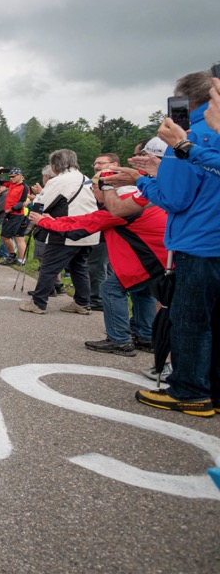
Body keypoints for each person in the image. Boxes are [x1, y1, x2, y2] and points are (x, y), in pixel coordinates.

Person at [107, 69, 220, 417]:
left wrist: (142, 181)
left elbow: (174, 198)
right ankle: (210, 389)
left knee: (189, 320)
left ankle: (188, 391)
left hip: (197, 242)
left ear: (186, 100)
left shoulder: (190, 139)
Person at [31, 173, 166, 354]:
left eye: (93, 188)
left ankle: (120, 340)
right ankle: (145, 336)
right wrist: (53, 220)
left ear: (104, 189)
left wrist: (46, 222)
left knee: (110, 289)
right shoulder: (132, 199)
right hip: (161, 256)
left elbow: (83, 226)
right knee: (142, 291)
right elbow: (90, 218)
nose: (92, 192)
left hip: (149, 257)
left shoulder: (120, 208)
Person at [21, 150, 98, 315]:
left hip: (65, 230)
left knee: (48, 266)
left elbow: (42, 203)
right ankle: (82, 303)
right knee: (79, 267)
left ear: (55, 165)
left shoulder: (59, 180)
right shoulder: (86, 179)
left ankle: (38, 303)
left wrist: (33, 217)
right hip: (88, 232)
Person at [86, 153, 120, 311]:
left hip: (107, 233)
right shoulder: (98, 181)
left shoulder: (117, 184)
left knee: (98, 266)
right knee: (104, 267)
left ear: (115, 164)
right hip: (105, 233)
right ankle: (103, 298)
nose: (96, 166)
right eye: (95, 163)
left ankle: (97, 299)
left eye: (101, 163)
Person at [0, 167, 30, 265]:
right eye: (10, 177)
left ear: (20, 176)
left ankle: (13, 256)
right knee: (18, 237)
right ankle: (20, 259)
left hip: (16, 214)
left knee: (5, 236)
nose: (11, 178)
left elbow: (22, 202)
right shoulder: (11, 184)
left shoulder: (24, 187)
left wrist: (10, 209)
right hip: (11, 214)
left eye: (13, 177)